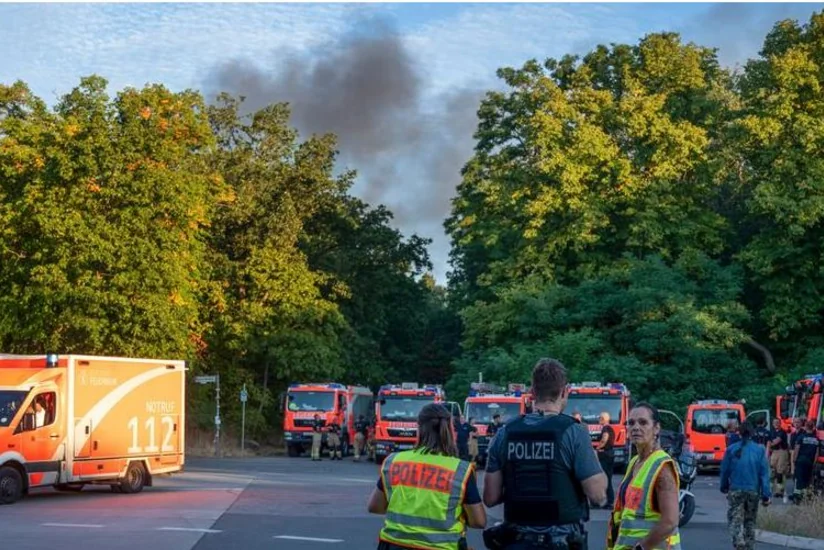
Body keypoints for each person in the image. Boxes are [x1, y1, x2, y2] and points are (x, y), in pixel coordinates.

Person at [483, 358, 607, 549]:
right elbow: (598, 496)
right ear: (564, 391)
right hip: (561, 540)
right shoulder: (574, 432)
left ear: (532, 391)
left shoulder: (504, 433)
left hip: (517, 539)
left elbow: (490, 498)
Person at [367, 403, 486, 550]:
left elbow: (375, 506)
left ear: (419, 428)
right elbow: (479, 521)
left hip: (393, 544)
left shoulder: (394, 461)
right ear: (450, 430)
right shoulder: (460, 470)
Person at [607, 402, 680, 550]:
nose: (635, 427)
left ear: (656, 428)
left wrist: (642, 547)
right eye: (631, 423)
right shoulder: (634, 462)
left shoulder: (662, 467)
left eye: (643, 422)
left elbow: (670, 521)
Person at [720, 421, 771, 550]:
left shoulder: (731, 449)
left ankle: (738, 540)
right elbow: (764, 474)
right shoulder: (759, 450)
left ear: (739, 433)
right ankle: (749, 545)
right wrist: (766, 494)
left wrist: (724, 486)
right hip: (753, 490)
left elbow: (725, 470)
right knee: (750, 521)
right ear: (752, 433)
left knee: (735, 518)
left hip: (736, 489)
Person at [790, 419, 820, 504]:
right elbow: (817, 453)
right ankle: (806, 497)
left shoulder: (801, 437)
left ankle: (797, 497)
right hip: (810, 462)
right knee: (807, 479)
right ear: (813, 428)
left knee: (799, 479)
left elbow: (797, 449)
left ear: (805, 427)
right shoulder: (816, 439)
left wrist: (794, 460)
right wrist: (814, 463)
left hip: (800, 461)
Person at [766, 418, 790, 503]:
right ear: (772, 424)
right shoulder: (771, 432)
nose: (776, 424)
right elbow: (769, 442)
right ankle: (773, 490)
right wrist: (768, 451)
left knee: (780, 471)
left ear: (780, 423)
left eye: (777, 422)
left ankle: (780, 491)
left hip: (782, 451)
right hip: (774, 452)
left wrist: (769, 444)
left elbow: (776, 441)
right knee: (773, 470)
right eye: (774, 422)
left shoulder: (782, 432)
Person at [595, 412, 616, 509]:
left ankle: (609, 502)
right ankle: (609, 501)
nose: (598, 419)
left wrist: (598, 448)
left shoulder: (606, 429)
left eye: (600, 418)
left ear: (603, 419)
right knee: (608, 478)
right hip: (610, 454)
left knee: (604, 478)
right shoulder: (610, 428)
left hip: (605, 455)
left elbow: (604, 439)